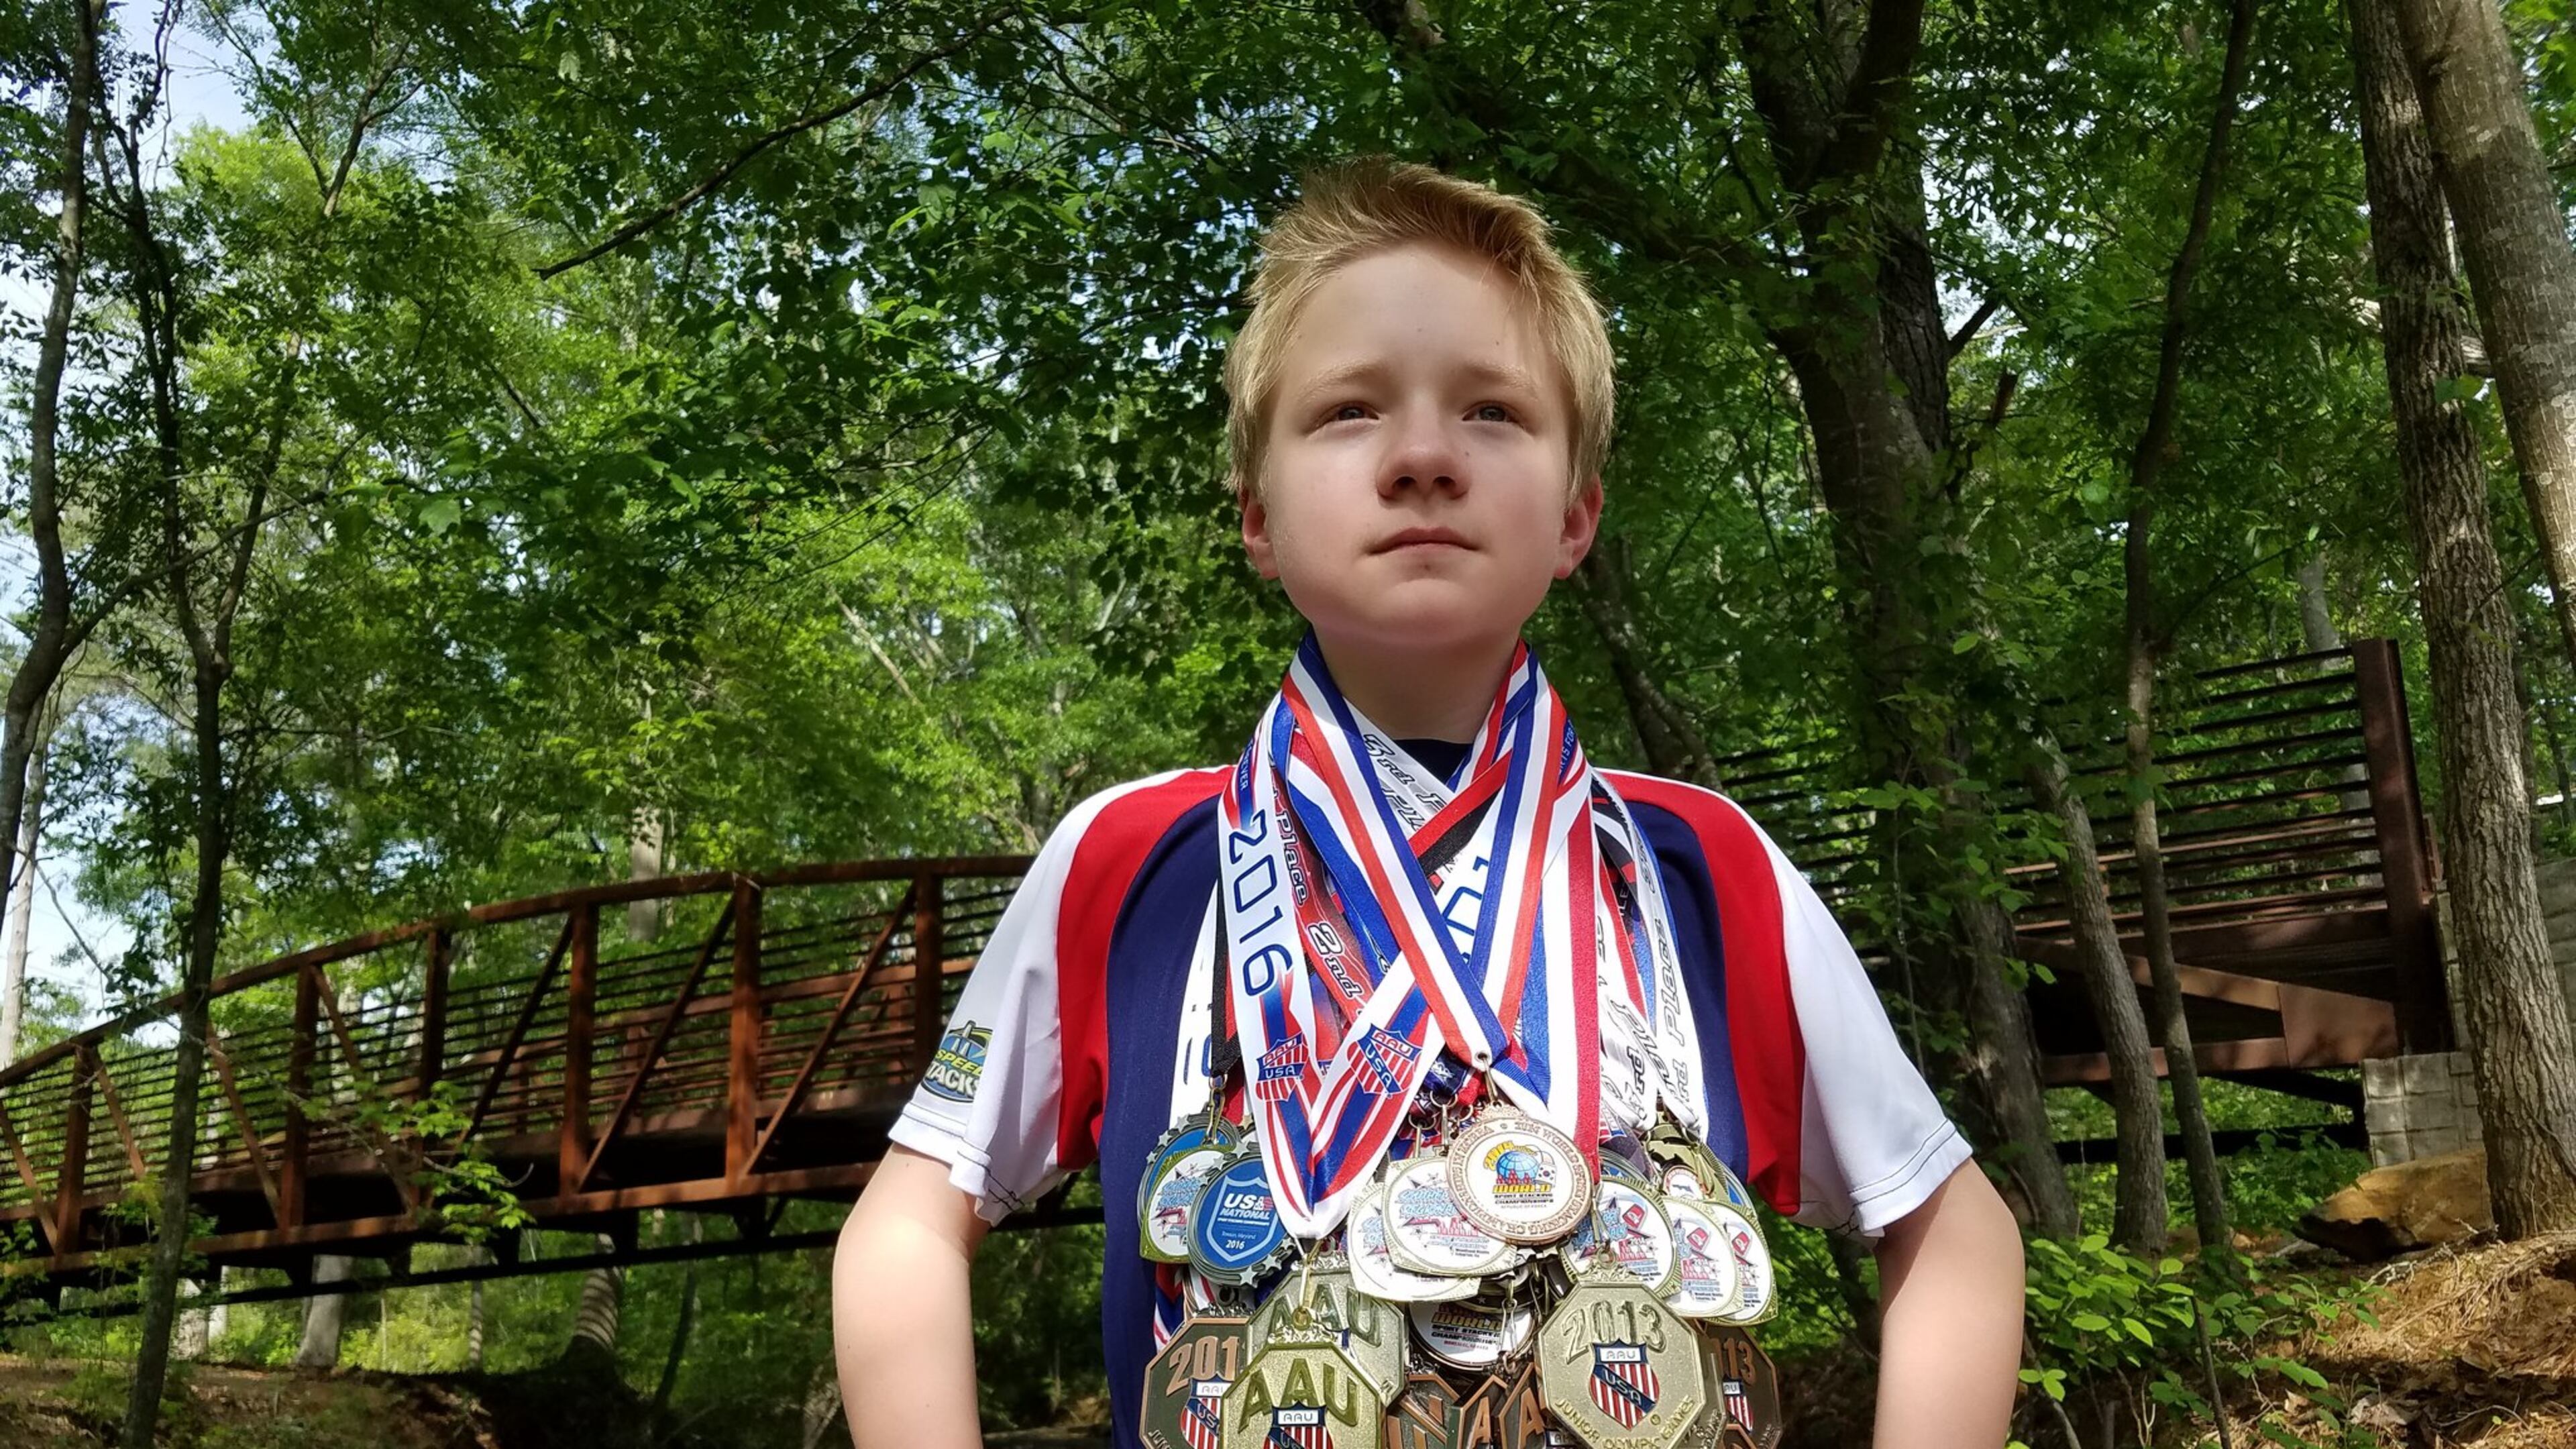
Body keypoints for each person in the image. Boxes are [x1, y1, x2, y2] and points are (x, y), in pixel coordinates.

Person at [833, 156, 2025, 1449]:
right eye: (1348, 411)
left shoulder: (1698, 870)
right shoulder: (1132, 864)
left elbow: (1953, 1229)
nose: (1420, 458)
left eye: (1494, 413)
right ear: (1256, 515)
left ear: (1576, 516)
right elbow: (907, 1218)